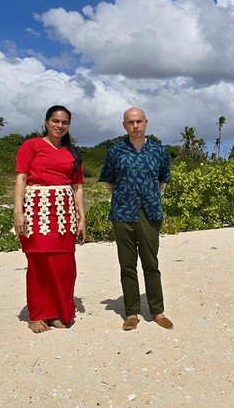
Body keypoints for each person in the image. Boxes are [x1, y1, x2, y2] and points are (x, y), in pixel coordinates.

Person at [13, 105, 86, 334]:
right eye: (55, 121)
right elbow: (21, 178)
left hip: (65, 212)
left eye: (64, 122)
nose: (60, 125)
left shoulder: (72, 153)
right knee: (39, 263)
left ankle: (60, 313)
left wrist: (82, 218)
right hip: (37, 210)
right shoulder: (31, 146)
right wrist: (18, 212)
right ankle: (38, 314)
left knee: (64, 264)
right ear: (46, 121)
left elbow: (78, 187)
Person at [99, 107, 173, 331]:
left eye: (139, 121)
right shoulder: (115, 151)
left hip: (150, 214)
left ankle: (157, 311)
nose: (135, 126)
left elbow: (163, 181)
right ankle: (131, 312)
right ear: (124, 125)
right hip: (122, 213)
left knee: (151, 263)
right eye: (131, 122)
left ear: (146, 123)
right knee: (127, 265)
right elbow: (109, 181)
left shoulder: (159, 151)